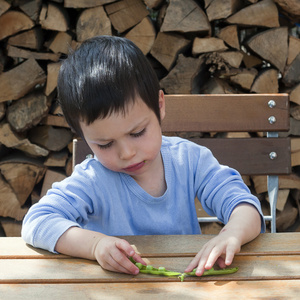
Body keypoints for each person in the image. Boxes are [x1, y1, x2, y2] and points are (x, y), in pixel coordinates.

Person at [22, 35, 265, 276]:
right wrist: (95, 245)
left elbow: (244, 206)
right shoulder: (93, 180)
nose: (127, 153)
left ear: (160, 106)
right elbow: (38, 221)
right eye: (105, 145)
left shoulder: (189, 160)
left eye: (137, 132)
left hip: (184, 285)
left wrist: (233, 232)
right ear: (85, 137)